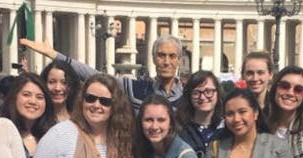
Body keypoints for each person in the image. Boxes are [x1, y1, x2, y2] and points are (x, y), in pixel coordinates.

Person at [22, 34, 183, 112]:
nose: (166, 61)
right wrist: (54, 55)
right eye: (161, 55)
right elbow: (95, 75)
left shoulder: (188, 96)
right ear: (154, 58)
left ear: (179, 60)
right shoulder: (135, 88)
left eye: (172, 56)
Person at [0, 72, 57, 158]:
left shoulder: (54, 136)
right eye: (26, 95)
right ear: (14, 97)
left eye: (39, 97)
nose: (33, 101)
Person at [177, 71, 224, 156]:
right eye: (196, 93)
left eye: (208, 91)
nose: (202, 97)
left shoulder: (226, 128)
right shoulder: (180, 130)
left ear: (217, 93)